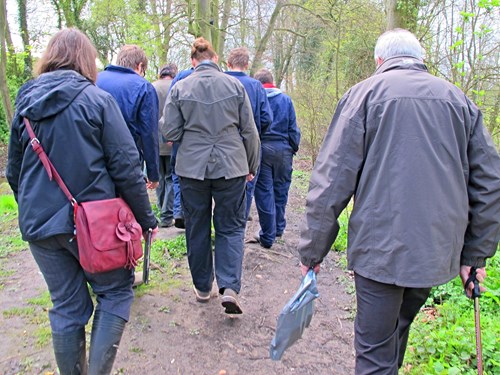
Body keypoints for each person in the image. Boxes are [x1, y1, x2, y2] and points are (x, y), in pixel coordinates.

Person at [297, 28, 500, 374]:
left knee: (375, 353)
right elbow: (489, 183)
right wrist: (474, 255)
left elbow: (331, 182)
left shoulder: (362, 96)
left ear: (380, 61)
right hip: (434, 251)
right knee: (394, 337)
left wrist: (312, 251)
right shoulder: (458, 100)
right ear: (421, 60)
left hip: (381, 251)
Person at [6, 28, 158, 374]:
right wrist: (146, 219)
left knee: (67, 305)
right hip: (95, 226)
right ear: (86, 61)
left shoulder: (24, 102)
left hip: (39, 227)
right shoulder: (97, 100)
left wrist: (34, 208)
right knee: (116, 293)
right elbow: (126, 167)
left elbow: (13, 172)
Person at [162, 37, 260, 314]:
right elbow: (250, 132)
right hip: (232, 166)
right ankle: (229, 287)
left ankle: (204, 288)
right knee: (230, 226)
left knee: (197, 226)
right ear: (216, 60)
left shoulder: (180, 87)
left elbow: (169, 132)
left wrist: (187, 132)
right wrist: (251, 166)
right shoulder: (235, 85)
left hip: (192, 169)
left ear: (193, 62)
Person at [96, 44, 160, 190]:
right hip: (126, 163)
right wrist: (153, 174)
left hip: (94, 160)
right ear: (140, 66)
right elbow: (149, 134)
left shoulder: (94, 80)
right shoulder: (143, 87)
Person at [253, 68, 301, 248]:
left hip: (263, 148)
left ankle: (267, 234)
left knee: (264, 191)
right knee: (281, 190)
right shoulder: (286, 100)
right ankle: (279, 227)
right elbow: (293, 129)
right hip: (283, 150)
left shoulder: (257, 99)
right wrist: (292, 147)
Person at [225, 47, 273, 221]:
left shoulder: (220, 81)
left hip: (223, 145)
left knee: (222, 190)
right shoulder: (255, 86)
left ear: (228, 63)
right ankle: (239, 229)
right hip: (249, 146)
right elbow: (267, 117)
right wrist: (258, 133)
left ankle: (221, 230)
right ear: (246, 64)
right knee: (247, 188)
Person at [153, 63, 178, 227]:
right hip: (170, 139)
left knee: (159, 177)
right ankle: (167, 214)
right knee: (170, 177)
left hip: (154, 140)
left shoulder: (151, 87)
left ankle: (161, 207)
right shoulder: (176, 86)